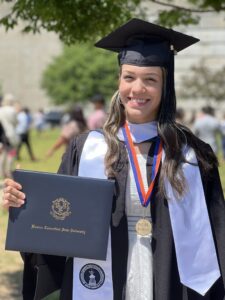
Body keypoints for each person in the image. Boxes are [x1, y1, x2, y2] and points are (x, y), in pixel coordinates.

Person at [2, 19, 225, 300]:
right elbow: (57, 222)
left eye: (150, 80)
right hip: (103, 281)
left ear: (165, 86)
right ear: (119, 81)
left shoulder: (192, 154)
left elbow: (216, 233)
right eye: (129, 77)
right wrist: (24, 206)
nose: (138, 89)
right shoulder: (87, 149)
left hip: (170, 281)